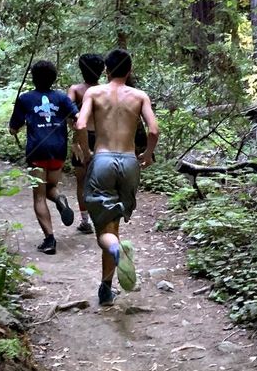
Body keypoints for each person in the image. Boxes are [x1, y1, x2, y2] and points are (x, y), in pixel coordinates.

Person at [75, 48, 159, 306]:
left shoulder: (94, 92)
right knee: (114, 225)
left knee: (105, 230)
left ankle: (116, 251)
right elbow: (153, 130)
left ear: (107, 70)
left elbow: (80, 124)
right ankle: (105, 289)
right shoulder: (139, 95)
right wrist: (146, 155)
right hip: (129, 161)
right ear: (129, 70)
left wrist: (87, 154)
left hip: (103, 159)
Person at [9, 59, 78, 255]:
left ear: (33, 77)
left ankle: (49, 239)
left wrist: (15, 129)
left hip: (36, 151)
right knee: (51, 188)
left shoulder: (25, 99)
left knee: (39, 196)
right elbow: (76, 117)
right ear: (54, 77)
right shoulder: (62, 97)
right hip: (58, 149)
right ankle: (59, 198)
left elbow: (14, 127)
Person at [66, 53, 105, 234]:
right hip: (103, 138)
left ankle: (85, 221)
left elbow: (67, 111)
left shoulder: (75, 90)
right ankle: (103, 218)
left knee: (82, 181)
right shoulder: (105, 90)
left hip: (80, 139)